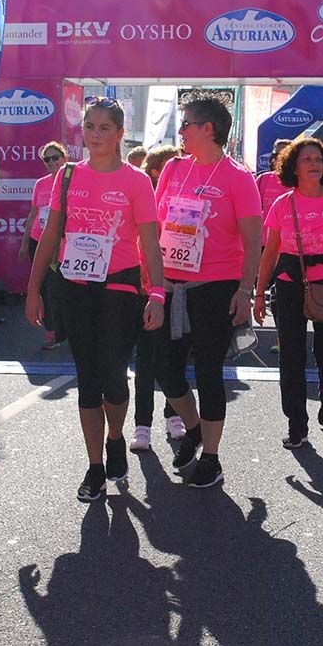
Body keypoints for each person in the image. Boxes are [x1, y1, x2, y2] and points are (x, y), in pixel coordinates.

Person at [25, 96, 165, 502]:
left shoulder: (137, 181)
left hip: (121, 287)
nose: (96, 134)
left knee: (114, 378)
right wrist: (34, 291)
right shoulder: (65, 177)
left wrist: (155, 294)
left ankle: (117, 436)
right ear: (81, 130)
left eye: (105, 128)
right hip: (74, 287)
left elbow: (151, 244)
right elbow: (49, 236)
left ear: (120, 134)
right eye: (90, 126)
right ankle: (95, 467)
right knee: (88, 379)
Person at [153, 95, 263, 489]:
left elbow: (254, 241)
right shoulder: (173, 169)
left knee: (209, 372)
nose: (180, 131)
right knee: (165, 371)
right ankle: (195, 428)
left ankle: (211, 458)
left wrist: (246, 291)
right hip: (169, 286)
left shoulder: (237, 177)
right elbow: (156, 225)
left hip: (216, 287)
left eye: (186, 124)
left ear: (208, 129)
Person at [254, 137, 323, 448]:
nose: (314, 164)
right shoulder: (281, 204)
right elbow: (270, 253)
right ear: (294, 167)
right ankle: (296, 423)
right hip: (289, 287)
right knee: (291, 357)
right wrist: (259, 294)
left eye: (318, 159)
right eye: (307, 159)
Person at [132, 144, 186, 450]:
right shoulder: (140, 194)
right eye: (171, 166)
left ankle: (173, 414)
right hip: (142, 287)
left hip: (176, 285)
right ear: (157, 170)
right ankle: (142, 426)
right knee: (146, 358)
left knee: (175, 354)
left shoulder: (184, 201)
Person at [19, 141, 68, 350]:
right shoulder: (41, 183)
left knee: (63, 287)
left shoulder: (72, 180)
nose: (51, 162)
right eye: (46, 159)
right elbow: (33, 213)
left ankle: (67, 329)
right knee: (46, 287)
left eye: (55, 157)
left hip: (65, 244)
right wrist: (24, 243)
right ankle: (52, 332)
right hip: (39, 240)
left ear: (64, 158)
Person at [256, 139, 292, 353]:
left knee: (283, 296)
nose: (276, 158)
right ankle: (283, 337)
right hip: (266, 245)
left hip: (290, 247)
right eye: (274, 154)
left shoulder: (298, 181)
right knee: (274, 294)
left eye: (282, 154)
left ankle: (284, 338)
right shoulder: (262, 180)